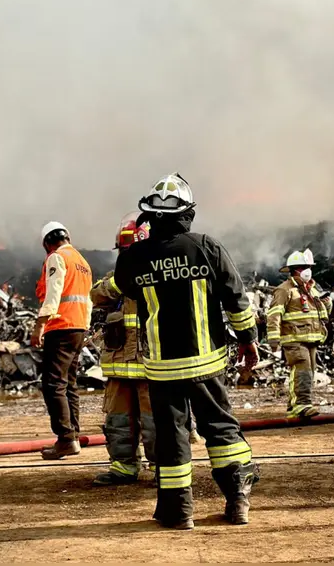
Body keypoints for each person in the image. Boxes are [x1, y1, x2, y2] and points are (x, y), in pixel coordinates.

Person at [113, 173, 261, 530]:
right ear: (187, 213)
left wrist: (140, 244)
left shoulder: (135, 257)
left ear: (150, 213)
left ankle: (179, 511)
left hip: (163, 367)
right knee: (221, 429)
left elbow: (122, 285)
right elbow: (236, 300)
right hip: (207, 362)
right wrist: (248, 338)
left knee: (171, 435)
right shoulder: (207, 247)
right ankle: (237, 500)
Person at [89, 212, 156, 485]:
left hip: (152, 366)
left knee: (156, 421)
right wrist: (120, 281)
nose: (127, 255)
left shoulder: (161, 276)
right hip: (119, 365)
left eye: (132, 250)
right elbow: (95, 295)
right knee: (118, 419)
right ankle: (123, 467)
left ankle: (164, 469)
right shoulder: (116, 278)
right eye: (124, 251)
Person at [33, 221, 93, 460]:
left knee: (53, 384)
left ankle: (66, 439)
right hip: (78, 327)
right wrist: (85, 327)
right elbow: (87, 299)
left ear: (48, 242)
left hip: (60, 326)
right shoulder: (83, 263)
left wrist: (40, 325)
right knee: (69, 384)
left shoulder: (57, 258)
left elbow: (53, 292)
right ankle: (73, 436)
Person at [266, 249, 332, 418]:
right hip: (294, 338)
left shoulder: (312, 289)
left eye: (308, 266)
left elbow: (322, 315)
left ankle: (295, 404)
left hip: (311, 338)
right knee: (301, 369)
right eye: (303, 267)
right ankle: (301, 404)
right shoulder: (284, 290)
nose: (307, 270)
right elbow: (274, 314)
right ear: (294, 270)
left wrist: (326, 304)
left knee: (309, 372)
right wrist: (273, 339)